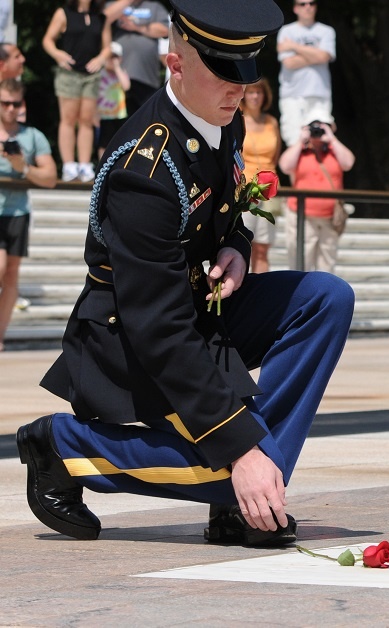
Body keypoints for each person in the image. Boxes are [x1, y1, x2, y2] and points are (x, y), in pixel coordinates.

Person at [18, 0, 354, 547]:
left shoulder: (224, 117)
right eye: (225, 73)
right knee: (230, 466)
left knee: (325, 298)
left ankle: (248, 493)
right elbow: (158, 324)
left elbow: (228, 213)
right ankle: (63, 447)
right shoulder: (142, 169)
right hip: (132, 339)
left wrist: (238, 249)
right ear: (175, 65)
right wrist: (240, 449)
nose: (239, 89)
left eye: (246, 74)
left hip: (200, 312)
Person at [0, 79, 57, 352]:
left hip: (17, 211)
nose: (10, 109)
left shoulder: (32, 136)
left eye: (15, 103)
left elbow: (49, 177)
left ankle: (0, 336)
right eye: (5, 103)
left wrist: (22, 168)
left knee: (11, 275)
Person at [42, 0, 111, 182]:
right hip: (69, 73)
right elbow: (48, 40)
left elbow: (107, 47)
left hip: (91, 76)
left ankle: (84, 164)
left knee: (87, 120)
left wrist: (100, 58)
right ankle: (68, 164)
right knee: (68, 119)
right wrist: (58, 54)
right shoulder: (63, 13)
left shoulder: (101, 17)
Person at [279, 117, 355, 272]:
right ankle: (301, 296)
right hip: (302, 217)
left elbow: (348, 163)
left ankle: (324, 296)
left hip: (330, 218)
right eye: (313, 127)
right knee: (300, 263)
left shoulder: (335, 150)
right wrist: (301, 141)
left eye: (323, 127)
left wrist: (331, 138)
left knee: (327, 264)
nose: (318, 131)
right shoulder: (300, 150)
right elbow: (285, 166)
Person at [276, 0, 335, 147]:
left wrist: (294, 46)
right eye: (303, 4)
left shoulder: (327, 31)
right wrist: (316, 54)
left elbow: (324, 57)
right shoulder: (286, 31)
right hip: (292, 95)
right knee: (295, 143)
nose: (308, 7)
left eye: (312, 3)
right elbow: (289, 63)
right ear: (295, 8)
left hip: (320, 95)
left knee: (322, 142)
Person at [240, 77, 281, 273]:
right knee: (244, 244)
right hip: (246, 188)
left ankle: (261, 295)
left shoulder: (272, 122)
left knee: (263, 247)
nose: (255, 96)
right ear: (244, 95)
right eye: (251, 92)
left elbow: (276, 155)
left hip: (269, 190)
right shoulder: (236, 119)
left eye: (259, 92)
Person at [104, 0, 170, 115]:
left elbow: (165, 30)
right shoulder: (113, 5)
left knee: (146, 116)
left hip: (146, 76)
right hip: (115, 74)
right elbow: (103, 18)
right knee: (116, 121)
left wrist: (136, 27)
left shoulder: (154, 6)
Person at [95, 41, 130, 160]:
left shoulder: (121, 72)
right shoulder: (99, 74)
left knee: (119, 142)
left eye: (115, 57)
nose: (111, 60)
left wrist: (117, 68)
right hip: (103, 115)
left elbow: (126, 86)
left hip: (119, 114)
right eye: (109, 57)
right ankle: (102, 166)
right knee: (103, 143)